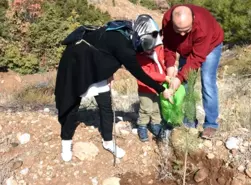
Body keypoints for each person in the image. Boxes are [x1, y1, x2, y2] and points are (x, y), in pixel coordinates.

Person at [54, 19, 173, 162]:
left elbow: (105, 50)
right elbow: (139, 73)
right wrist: (161, 90)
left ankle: (108, 142)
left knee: (105, 106)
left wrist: (108, 70)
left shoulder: (126, 31)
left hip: (95, 65)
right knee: (72, 104)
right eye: (146, 45)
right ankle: (65, 143)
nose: (147, 50)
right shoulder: (124, 47)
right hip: (77, 63)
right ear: (140, 37)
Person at [161, 4, 224, 139]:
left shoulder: (203, 25)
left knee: (207, 81)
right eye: (179, 30)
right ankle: (189, 121)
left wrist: (179, 76)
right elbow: (169, 46)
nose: (182, 34)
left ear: (193, 19)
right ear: (172, 22)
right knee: (186, 85)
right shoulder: (167, 20)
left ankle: (211, 124)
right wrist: (170, 66)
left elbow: (197, 58)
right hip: (186, 48)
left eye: (186, 30)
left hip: (210, 46)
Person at [133, 14, 171, 142]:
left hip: (159, 86)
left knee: (156, 107)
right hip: (145, 87)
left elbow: (164, 61)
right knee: (145, 108)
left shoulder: (159, 47)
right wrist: (164, 77)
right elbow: (146, 74)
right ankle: (142, 126)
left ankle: (155, 124)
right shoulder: (139, 56)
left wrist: (170, 71)